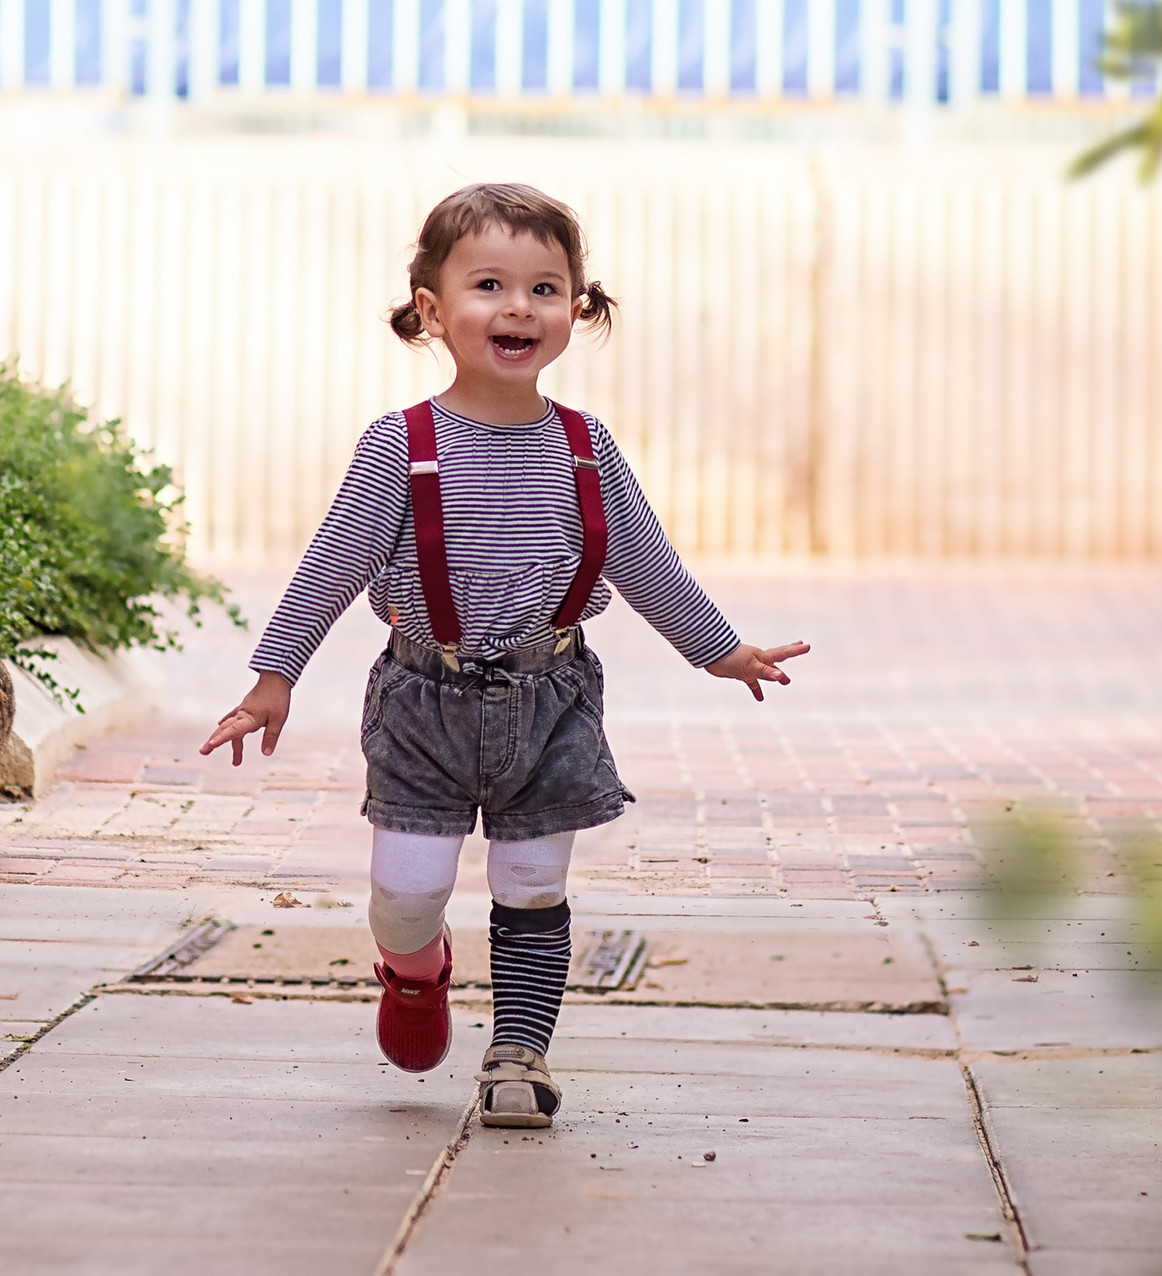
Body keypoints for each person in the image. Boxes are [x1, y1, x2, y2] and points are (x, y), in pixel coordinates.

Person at [199, 182, 809, 1127]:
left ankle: (517, 1053)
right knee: (408, 893)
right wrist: (274, 677)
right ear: (434, 312)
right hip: (422, 702)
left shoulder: (584, 446)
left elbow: (645, 560)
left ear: (578, 308)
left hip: (549, 698)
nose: (518, 306)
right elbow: (333, 562)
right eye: (489, 284)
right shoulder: (400, 445)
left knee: (533, 883)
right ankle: (415, 969)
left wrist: (720, 650)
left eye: (545, 287)